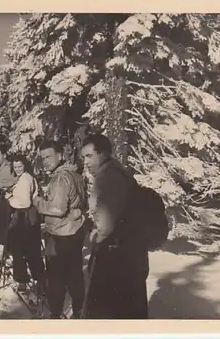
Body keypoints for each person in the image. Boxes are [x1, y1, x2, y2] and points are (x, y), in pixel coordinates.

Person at [81, 133, 149, 319]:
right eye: (83, 157)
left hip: (115, 258)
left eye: (89, 156)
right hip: (130, 255)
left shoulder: (106, 177)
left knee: (108, 312)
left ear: (102, 154)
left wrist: (93, 236)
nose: (85, 162)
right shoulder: (119, 172)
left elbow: (105, 225)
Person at [32, 139, 88, 319]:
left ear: (60, 155)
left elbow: (57, 209)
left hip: (60, 235)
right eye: (42, 158)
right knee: (74, 275)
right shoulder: (75, 174)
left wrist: (37, 201)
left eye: (49, 156)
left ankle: (54, 315)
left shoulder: (60, 178)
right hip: (74, 232)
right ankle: (79, 310)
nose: (45, 161)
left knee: (56, 278)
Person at [4, 153, 45, 293]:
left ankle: (25, 280)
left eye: (20, 166)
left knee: (21, 250)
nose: (17, 169)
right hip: (28, 217)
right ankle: (39, 279)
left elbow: (25, 202)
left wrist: (9, 198)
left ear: (25, 165)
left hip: (24, 217)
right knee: (30, 250)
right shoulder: (25, 177)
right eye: (15, 167)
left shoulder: (26, 179)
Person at [0, 145, 18, 263]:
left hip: (6, 201)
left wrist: (7, 190)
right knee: (0, 226)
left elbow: (15, 182)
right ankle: (2, 254)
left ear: (4, 155)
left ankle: (5, 254)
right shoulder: (0, 168)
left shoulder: (8, 168)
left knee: (3, 227)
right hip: (0, 199)